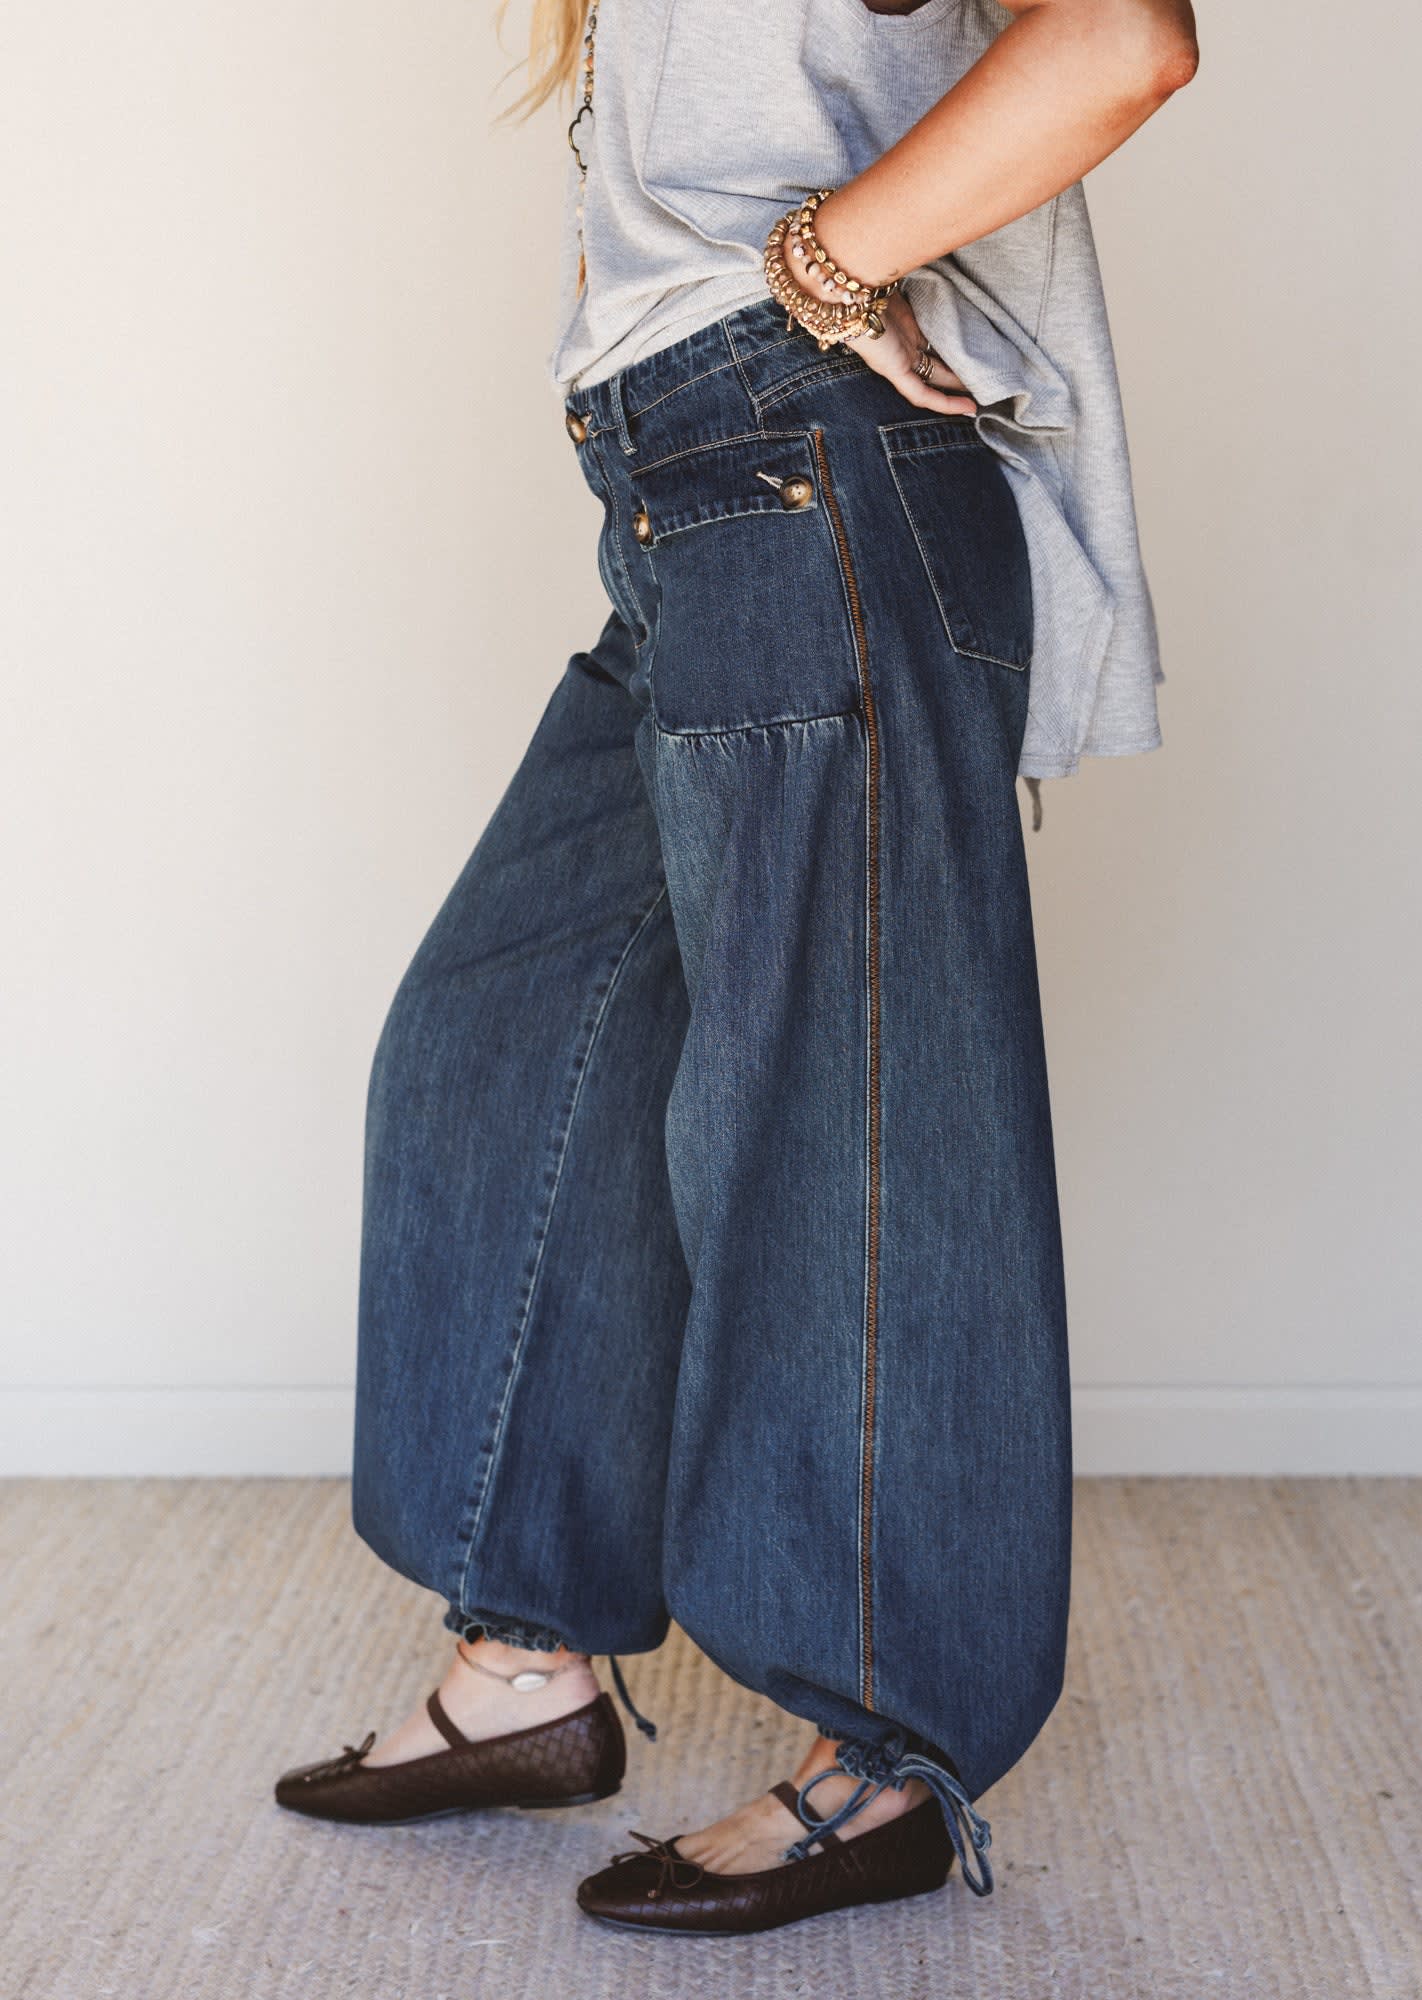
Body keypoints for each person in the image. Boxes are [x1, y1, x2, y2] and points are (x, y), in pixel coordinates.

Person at [273, 0, 1198, 1938]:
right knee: (510, 1037)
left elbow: (1119, 38)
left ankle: (887, 1751)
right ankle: (526, 1668)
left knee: (841, 1122)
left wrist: (817, 269)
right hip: (690, 489)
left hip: (800, 464)